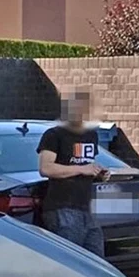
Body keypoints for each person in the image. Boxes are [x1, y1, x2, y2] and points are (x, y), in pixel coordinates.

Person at [36, 89, 108, 256]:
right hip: (62, 209)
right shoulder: (54, 135)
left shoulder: (91, 136)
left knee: (97, 262)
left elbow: (86, 165)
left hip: (87, 209)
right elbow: (46, 168)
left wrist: (98, 173)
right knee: (70, 261)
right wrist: (83, 169)